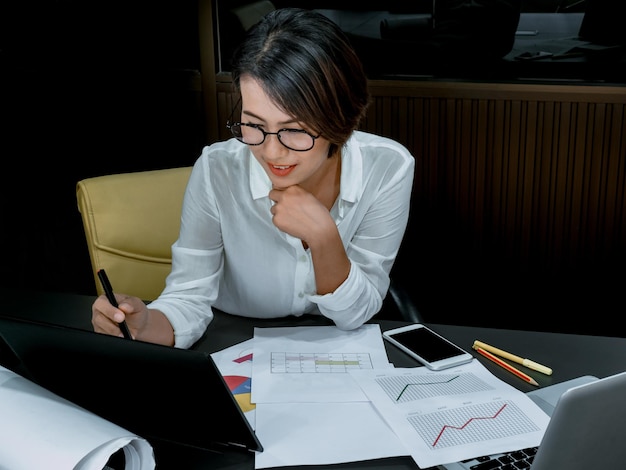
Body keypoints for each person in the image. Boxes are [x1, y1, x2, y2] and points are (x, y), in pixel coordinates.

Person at [91, 8, 415, 349]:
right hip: (232, 339)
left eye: (294, 130)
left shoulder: (387, 167)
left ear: (342, 119)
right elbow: (188, 297)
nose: (272, 153)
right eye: (255, 125)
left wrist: (324, 238)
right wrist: (143, 326)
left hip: (339, 346)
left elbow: (357, 312)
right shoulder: (217, 168)